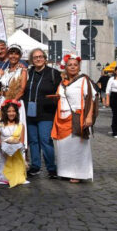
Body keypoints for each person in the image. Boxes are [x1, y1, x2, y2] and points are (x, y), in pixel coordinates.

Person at [51, 54, 96, 183]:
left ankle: (78, 174)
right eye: (70, 65)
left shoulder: (84, 80)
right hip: (62, 117)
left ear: (79, 67)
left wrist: (89, 117)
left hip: (77, 117)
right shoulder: (62, 82)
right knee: (64, 147)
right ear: (65, 67)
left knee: (78, 146)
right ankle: (65, 172)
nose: (72, 67)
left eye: (75, 65)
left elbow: (91, 99)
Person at [23, 48, 61, 178]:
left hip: (46, 113)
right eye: (35, 57)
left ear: (45, 58)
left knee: (45, 140)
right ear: (32, 60)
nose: (38, 59)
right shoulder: (29, 73)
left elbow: (60, 91)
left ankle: (51, 168)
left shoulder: (53, 73)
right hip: (30, 112)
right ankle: (35, 166)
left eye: (40, 57)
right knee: (33, 141)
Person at [0, 44, 28, 145]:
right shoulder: (5, 70)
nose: (13, 56)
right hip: (3, 101)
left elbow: (22, 89)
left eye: (16, 54)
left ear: (20, 56)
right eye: (11, 53)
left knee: (16, 128)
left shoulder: (23, 70)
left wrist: (12, 102)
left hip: (15, 103)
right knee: (4, 128)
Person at [0, 100, 27, 188]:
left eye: (13, 111)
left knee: (18, 176)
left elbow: (22, 142)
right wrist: (5, 145)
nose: (11, 113)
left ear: (16, 112)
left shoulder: (20, 125)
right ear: (5, 112)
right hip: (3, 153)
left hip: (16, 152)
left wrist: (14, 145)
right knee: (4, 176)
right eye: (9, 111)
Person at [105, 67, 117, 138]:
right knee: (115, 115)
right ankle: (115, 131)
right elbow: (107, 90)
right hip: (114, 97)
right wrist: (107, 100)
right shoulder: (111, 79)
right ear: (115, 71)